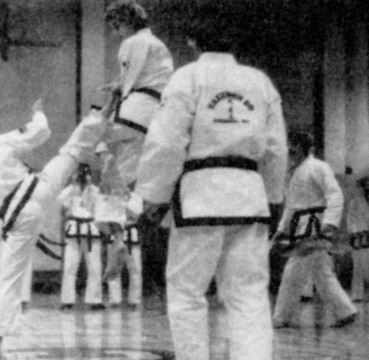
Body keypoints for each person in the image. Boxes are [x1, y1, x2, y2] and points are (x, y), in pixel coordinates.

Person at [134, 4, 288, 358]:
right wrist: (274, 198)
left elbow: (166, 143)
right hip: (250, 196)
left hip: (200, 197)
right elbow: (276, 149)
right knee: (249, 294)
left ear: (191, 40)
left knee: (187, 293)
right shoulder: (259, 82)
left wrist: (153, 197)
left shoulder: (187, 78)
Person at [0, 97, 116, 360]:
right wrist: (37, 113)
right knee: (71, 150)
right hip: (38, 188)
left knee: (8, 279)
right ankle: (104, 112)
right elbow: (38, 133)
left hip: (17, 217)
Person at [272, 132, 357, 328]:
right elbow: (291, 206)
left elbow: (335, 195)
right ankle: (346, 311)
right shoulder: (294, 171)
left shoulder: (318, 167)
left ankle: (280, 317)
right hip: (301, 225)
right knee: (321, 272)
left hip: (314, 227)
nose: (289, 149)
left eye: (292, 145)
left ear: (302, 147)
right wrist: (281, 229)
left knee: (293, 270)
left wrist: (329, 223)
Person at [101, 0, 174, 191]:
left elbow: (129, 79)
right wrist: (117, 84)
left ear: (127, 23)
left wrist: (117, 93)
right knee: (130, 167)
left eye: (116, 27)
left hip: (135, 109)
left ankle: (104, 157)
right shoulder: (157, 44)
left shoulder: (132, 42)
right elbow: (143, 75)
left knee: (94, 134)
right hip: (154, 116)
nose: (116, 34)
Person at [58, 163, 104, 311]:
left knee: (94, 267)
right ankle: (67, 300)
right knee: (70, 266)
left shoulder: (96, 191)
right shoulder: (71, 191)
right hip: (74, 231)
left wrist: (89, 190)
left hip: (91, 229)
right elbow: (60, 203)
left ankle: (94, 299)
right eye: (81, 174)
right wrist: (73, 188)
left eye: (86, 174)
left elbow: (102, 207)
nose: (84, 178)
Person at [107, 192, 143, 310]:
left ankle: (134, 300)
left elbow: (136, 216)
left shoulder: (137, 197)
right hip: (116, 234)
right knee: (114, 268)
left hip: (131, 235)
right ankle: (114, 300)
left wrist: (123, 209)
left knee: (135, 269)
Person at [345, 172, 369, 302]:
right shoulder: (355, 202)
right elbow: (350, 219)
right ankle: (357, 294)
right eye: (365, 186)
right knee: (358, 266)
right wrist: (356, 232)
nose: (367, 188)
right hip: (359, 237)